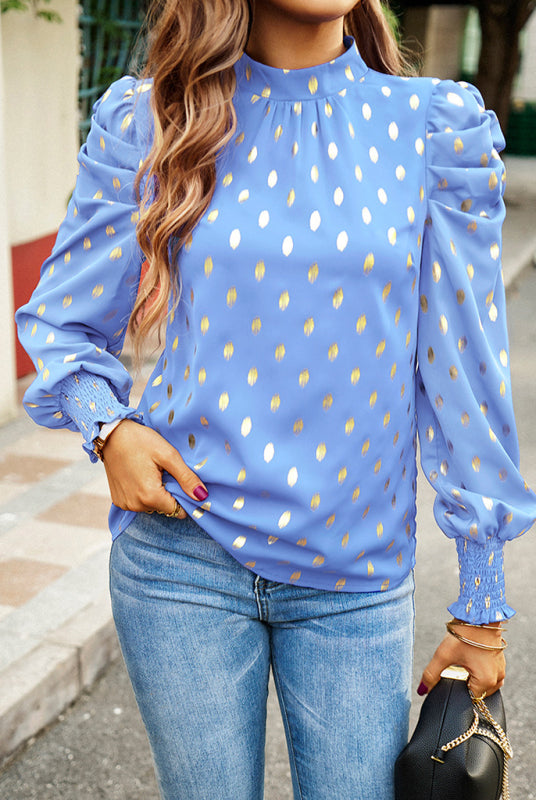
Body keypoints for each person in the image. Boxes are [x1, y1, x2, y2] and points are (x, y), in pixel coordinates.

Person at [16, 1, 536, 798]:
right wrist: (108, 428)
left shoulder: (433, 130)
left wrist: (481, 607)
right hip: (181, 560)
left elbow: (465, 375)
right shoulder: (153, 118)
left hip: (355, 579)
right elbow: (63, 322)